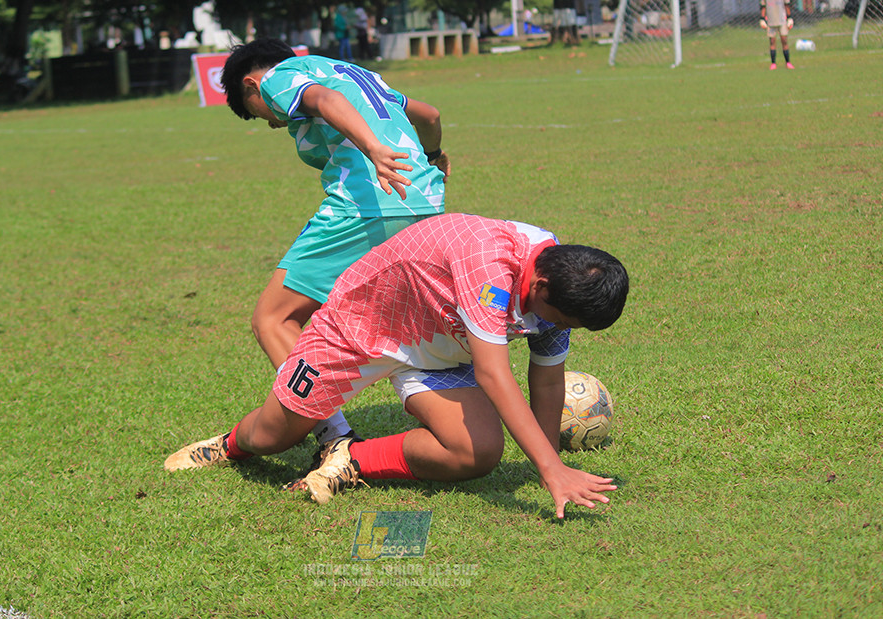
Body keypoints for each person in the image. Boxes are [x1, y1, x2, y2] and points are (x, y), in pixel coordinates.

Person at [165, 214, 630, 519]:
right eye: (562, 320)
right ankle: (229, 445)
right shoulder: (490, 263)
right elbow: (495, 374)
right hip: (362, 325)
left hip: (444, 346)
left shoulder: (561, 284)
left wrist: (546, 458)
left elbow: (547, 377)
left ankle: (352, 459)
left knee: (478, 452)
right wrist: (552, 469)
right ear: (542, 285)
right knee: (272, 437)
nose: (559, 328)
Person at [217, 37, 451, 446]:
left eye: (257, 114)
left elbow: (323, 101)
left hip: (369, 206)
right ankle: (453, 422)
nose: (272, 123)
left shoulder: (279, 76)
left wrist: (375, 150)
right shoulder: (355, 73)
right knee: (403, 326)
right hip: (425, 203)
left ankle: (335, 437)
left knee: (273, 319)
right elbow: (428, 115)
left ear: (252, 86)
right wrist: (433, 156)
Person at [760, 0, 794, 70]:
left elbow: (787, 4)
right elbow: (763, 6)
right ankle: (773, 63)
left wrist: (789, 17)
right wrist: (762, 19)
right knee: (772, 41)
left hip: (782, 20)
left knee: (784, 40)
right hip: (771, 21)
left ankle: (788, 62)